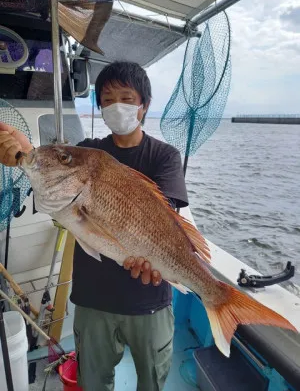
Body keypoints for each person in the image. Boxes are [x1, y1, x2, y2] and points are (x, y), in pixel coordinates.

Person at [0, 61, 189, 391]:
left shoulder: (164, 156)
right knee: (94, 383)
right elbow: (56, 182)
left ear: (144, 104)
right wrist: (24, 154)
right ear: (100, 107)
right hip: (92, 301)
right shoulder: (90, 153)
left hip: (150, 302)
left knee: (152, 383)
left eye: (127, 98)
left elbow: (167, 220)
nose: (117, 106)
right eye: (107, 98)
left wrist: (154, 257)